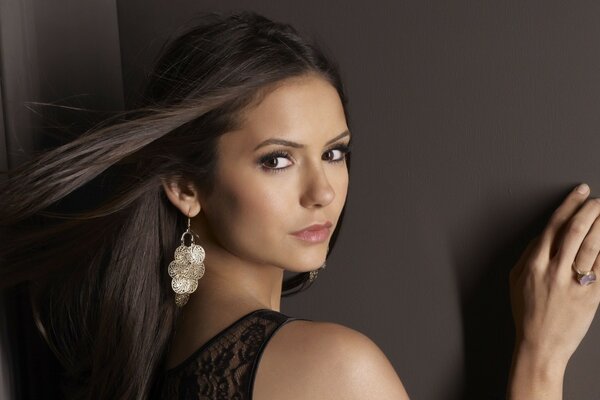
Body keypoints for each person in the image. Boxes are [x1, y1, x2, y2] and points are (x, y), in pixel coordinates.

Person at [0, 10, 599, 400]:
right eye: (277, 160)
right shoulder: (331, 369)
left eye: (334, 153)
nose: (323, 191)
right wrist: (540, 357)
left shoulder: (160, 367)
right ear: (185, 187)